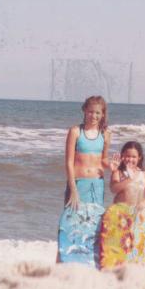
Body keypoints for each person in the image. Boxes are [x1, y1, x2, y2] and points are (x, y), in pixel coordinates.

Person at [57, 95, 111, 267]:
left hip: (97, 185)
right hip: (78, 184)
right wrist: (73, 189)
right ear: (84, 111)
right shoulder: (75, 132)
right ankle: (60, 265)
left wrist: (113, 165)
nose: (93, 116)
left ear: (102, 114)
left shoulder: (106, 134)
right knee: (69, 226)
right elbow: (68, 162)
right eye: (90, 112)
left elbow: (103, 161)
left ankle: (90, 265)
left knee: (93, 227)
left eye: (97, 113)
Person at [100, 141, 145, 268]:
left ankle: (134, 275)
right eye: (127, 156)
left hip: (138, 214)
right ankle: (112, 273)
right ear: (122, 156)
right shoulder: (118, 172)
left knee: (136, 247)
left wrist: (144, 203)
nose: (130, 159)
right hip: (118, 215)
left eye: (134, 157)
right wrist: (129, 178)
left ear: (139, 157)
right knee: (116, 248)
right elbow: (113, 189)